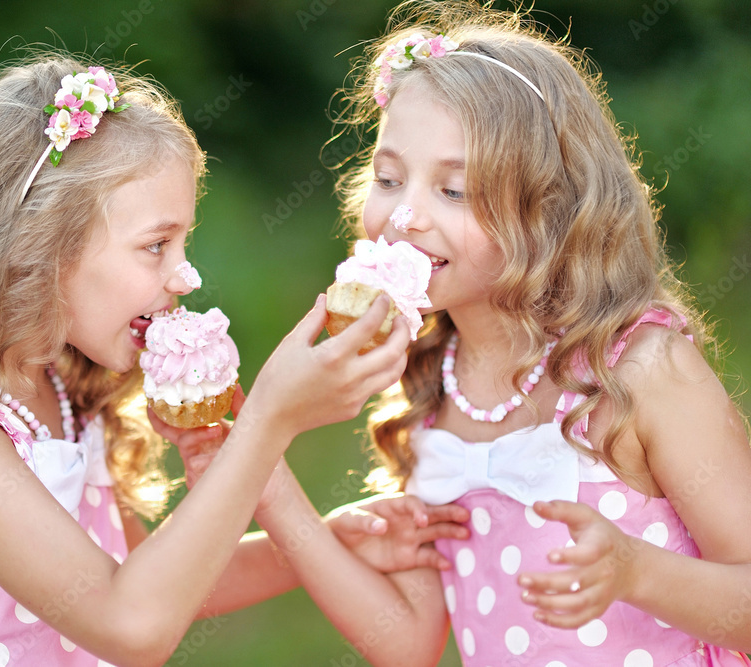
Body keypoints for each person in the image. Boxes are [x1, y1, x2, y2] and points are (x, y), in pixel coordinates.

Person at [0, 52, 436, 667]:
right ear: (38, 245)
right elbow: (132, 626)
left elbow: (153, 584)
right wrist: (270, 420)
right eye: (155, 245)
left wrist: (323, 540)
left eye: (183, 240)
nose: (185, 274)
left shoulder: (62, 385)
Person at [226, 1, 751, 665]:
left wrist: (636, 571)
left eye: (454, 189)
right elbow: (409, 641)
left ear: (551, 210)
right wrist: (263, 471)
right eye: (388, 179)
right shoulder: (427, 384)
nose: (405, 215)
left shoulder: (641, 370)